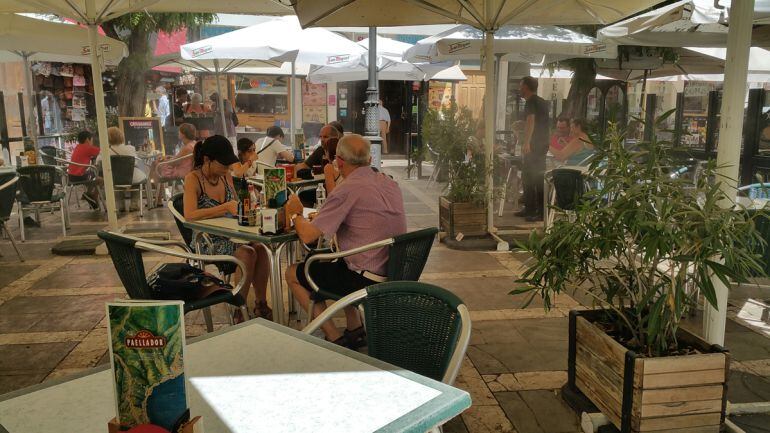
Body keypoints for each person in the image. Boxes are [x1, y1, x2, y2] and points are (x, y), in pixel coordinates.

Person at [285, 134, 406, 347]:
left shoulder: (347, 189)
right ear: (369, 160)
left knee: (293, 273)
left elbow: (308, 236)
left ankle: (335, 338)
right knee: (340, 261)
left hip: (365, 279)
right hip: (395, 272)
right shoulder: (389, 182)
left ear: (339, 162)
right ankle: (355, 329)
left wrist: (295, 214)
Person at [183, 135, 272, 320]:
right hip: (207, 240)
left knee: (261, 248)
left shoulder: (225, 177)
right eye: (223, 164)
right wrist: (224, 208)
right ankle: (240, 309)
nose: (227, 168)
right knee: (248, 252)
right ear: (207, 159)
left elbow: (237, 206)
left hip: (233, 234)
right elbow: (189, 214)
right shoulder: (193, 179)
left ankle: (261, 304)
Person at [516, 76, 550, 222]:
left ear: (526, 87)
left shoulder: (530, 102)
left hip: (535, 145)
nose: (519, 88)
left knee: (533, 177)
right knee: (531, 177)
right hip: (542, 144)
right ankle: (531, 208)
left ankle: (538, 212)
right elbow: (539, 122)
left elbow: (531, 121)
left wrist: (527, 142)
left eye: (520, 86)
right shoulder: (541, 102)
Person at [97, 127, 147, 211]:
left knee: (116, 184)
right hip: (131, 178)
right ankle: (134, 204)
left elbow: (98, 163)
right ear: (121, 136)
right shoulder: (130, 148)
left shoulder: (104, 152)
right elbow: (136, 163)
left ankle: (120, 205)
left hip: (114, 178)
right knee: (138, 181)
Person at [151, 123, 197, 206]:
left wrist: (164, 160)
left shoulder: (187, 147)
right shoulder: (194, 144)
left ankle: (158, 199)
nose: (178, 133)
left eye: (179, 131)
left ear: (183, 134)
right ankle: (159, 198)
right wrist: (169, 157)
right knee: (157, 165)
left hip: (181, 171)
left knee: (155, 166)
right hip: (189, 169)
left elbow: (174, 163)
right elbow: (181, 158)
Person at [68, 130, 100, 209]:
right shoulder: (88, 147)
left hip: (71, 176)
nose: (92, 141)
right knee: (101, 178)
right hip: (80, 176)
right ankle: (89, 195)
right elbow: (103, 152)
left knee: (93, 174)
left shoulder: (78, 147)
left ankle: (90, 197)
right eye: (91, 139)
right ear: (87, 139)